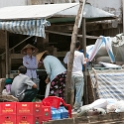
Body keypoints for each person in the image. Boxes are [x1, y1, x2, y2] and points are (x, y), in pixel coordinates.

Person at [64, 41, 87, 112]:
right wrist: (86, 60)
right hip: (78, 74)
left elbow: (65, 62)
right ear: (79, 46)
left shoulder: (68, 53)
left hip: (70, 74)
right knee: (79, 92)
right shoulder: (80, 54)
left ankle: (69, 106)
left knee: (71, 91)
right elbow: (84, 64)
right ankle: (76, 107)